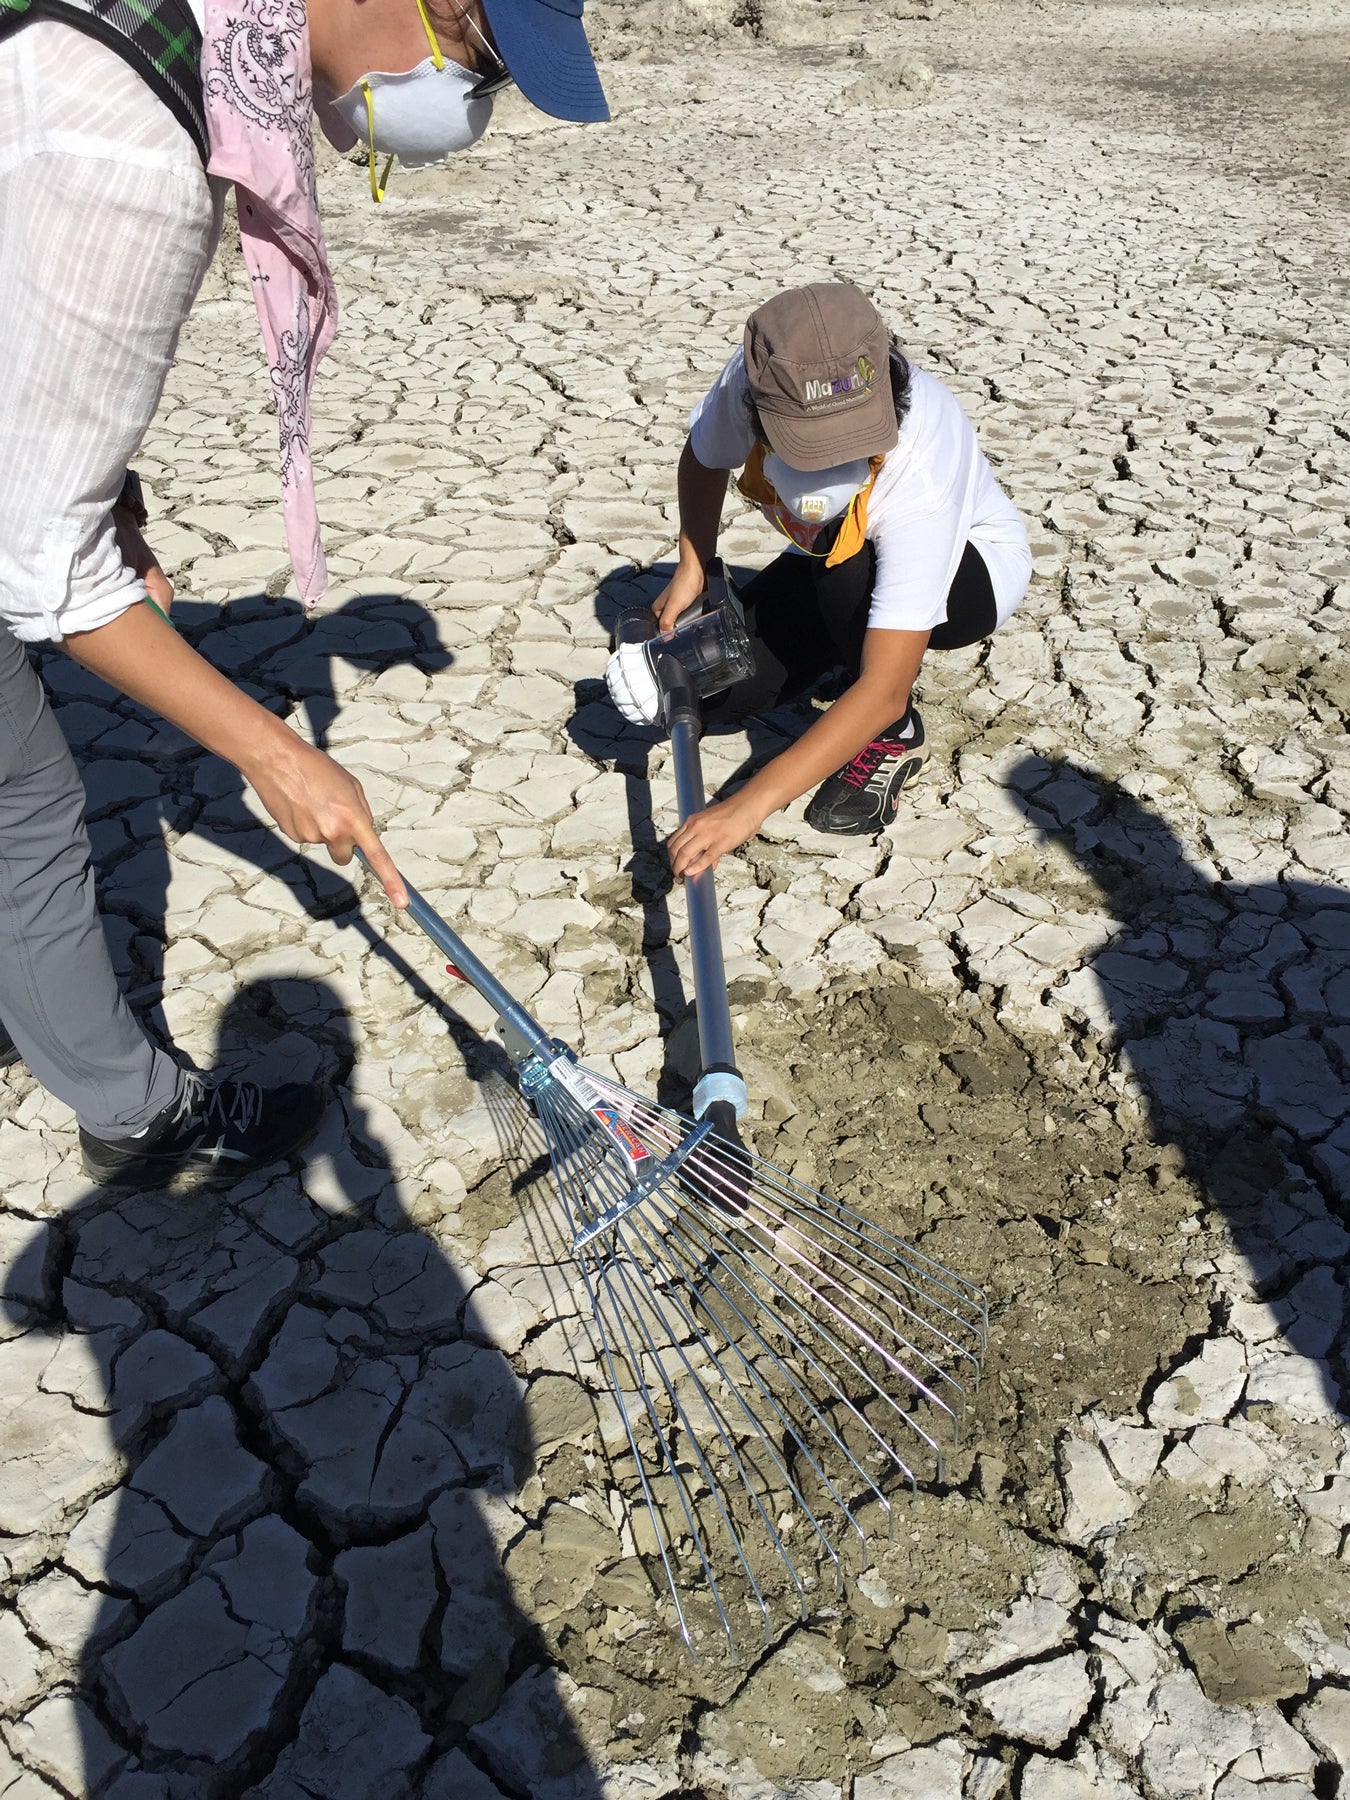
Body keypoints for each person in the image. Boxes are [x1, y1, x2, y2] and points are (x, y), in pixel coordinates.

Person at [0, 0, 607, 1186]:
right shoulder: (132, 151)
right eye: (480, 68)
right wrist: (274, 753)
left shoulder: (166, 30)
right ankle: (136, 1116)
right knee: (25, 816)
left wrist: (101, 491)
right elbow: (45, 575)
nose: (470, 109)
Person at [606, 282, 1032, 876]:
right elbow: (705, 455)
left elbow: (883, 685)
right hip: (830, 559)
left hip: (974, 572)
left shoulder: (922, 474)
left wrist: (744, 807)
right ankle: (837, 646)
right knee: (725, 692)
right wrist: (692, 568)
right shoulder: (761, 373)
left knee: (852, 575)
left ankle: (898, 736)